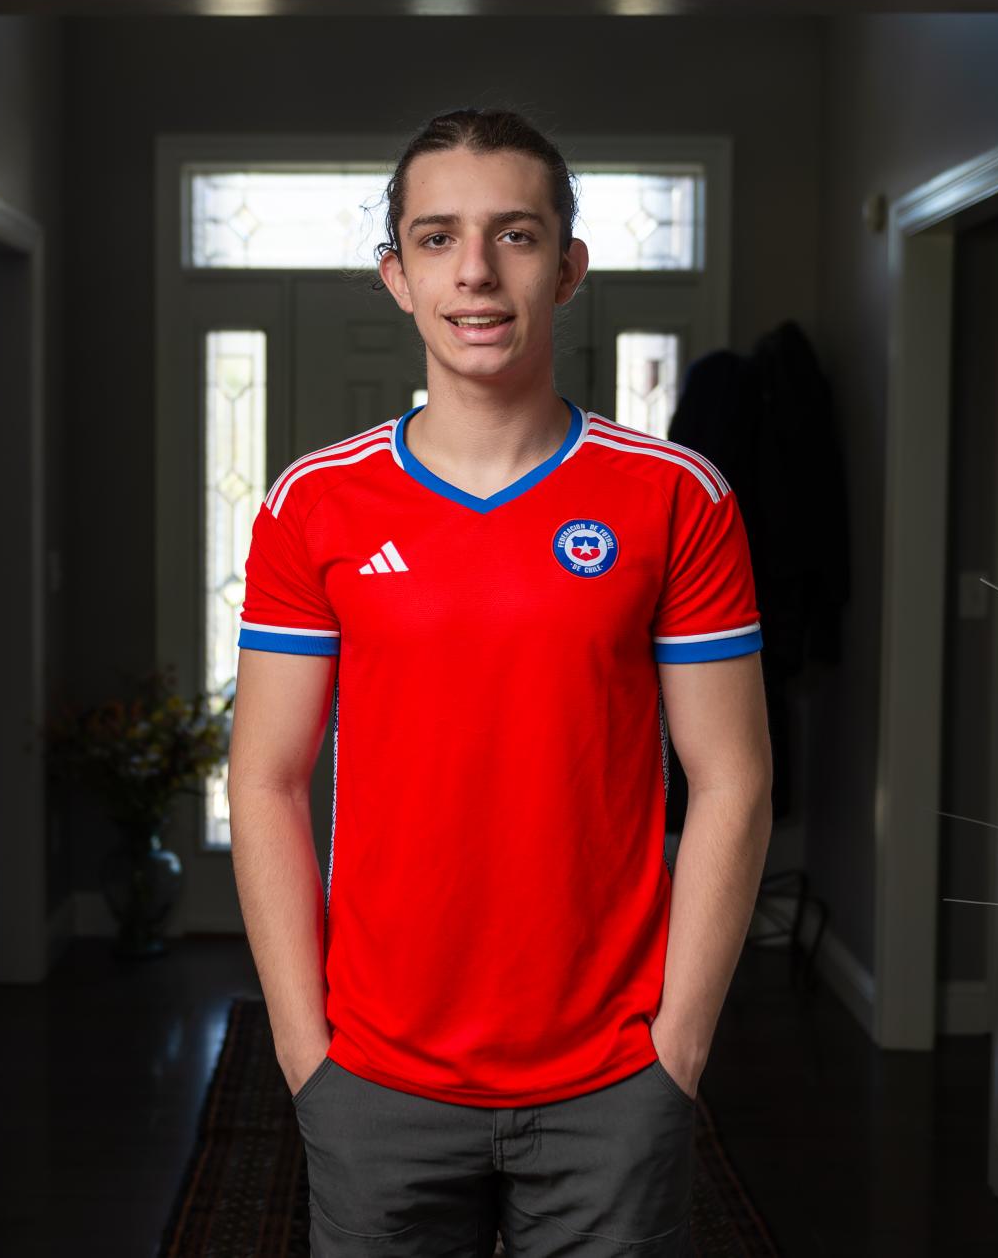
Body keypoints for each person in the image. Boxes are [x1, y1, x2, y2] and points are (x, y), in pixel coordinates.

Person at [226, 107, 774, 1257]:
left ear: (569, 267)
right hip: (374, 1077)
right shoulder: (312, 503)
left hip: (613, 1080)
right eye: (437, 238)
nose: (475, 271)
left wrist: (678, 1046)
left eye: (515, 235)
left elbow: (731, 778)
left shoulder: (678, 499)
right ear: (396, 275)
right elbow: (268, 778)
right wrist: (301, 1050)